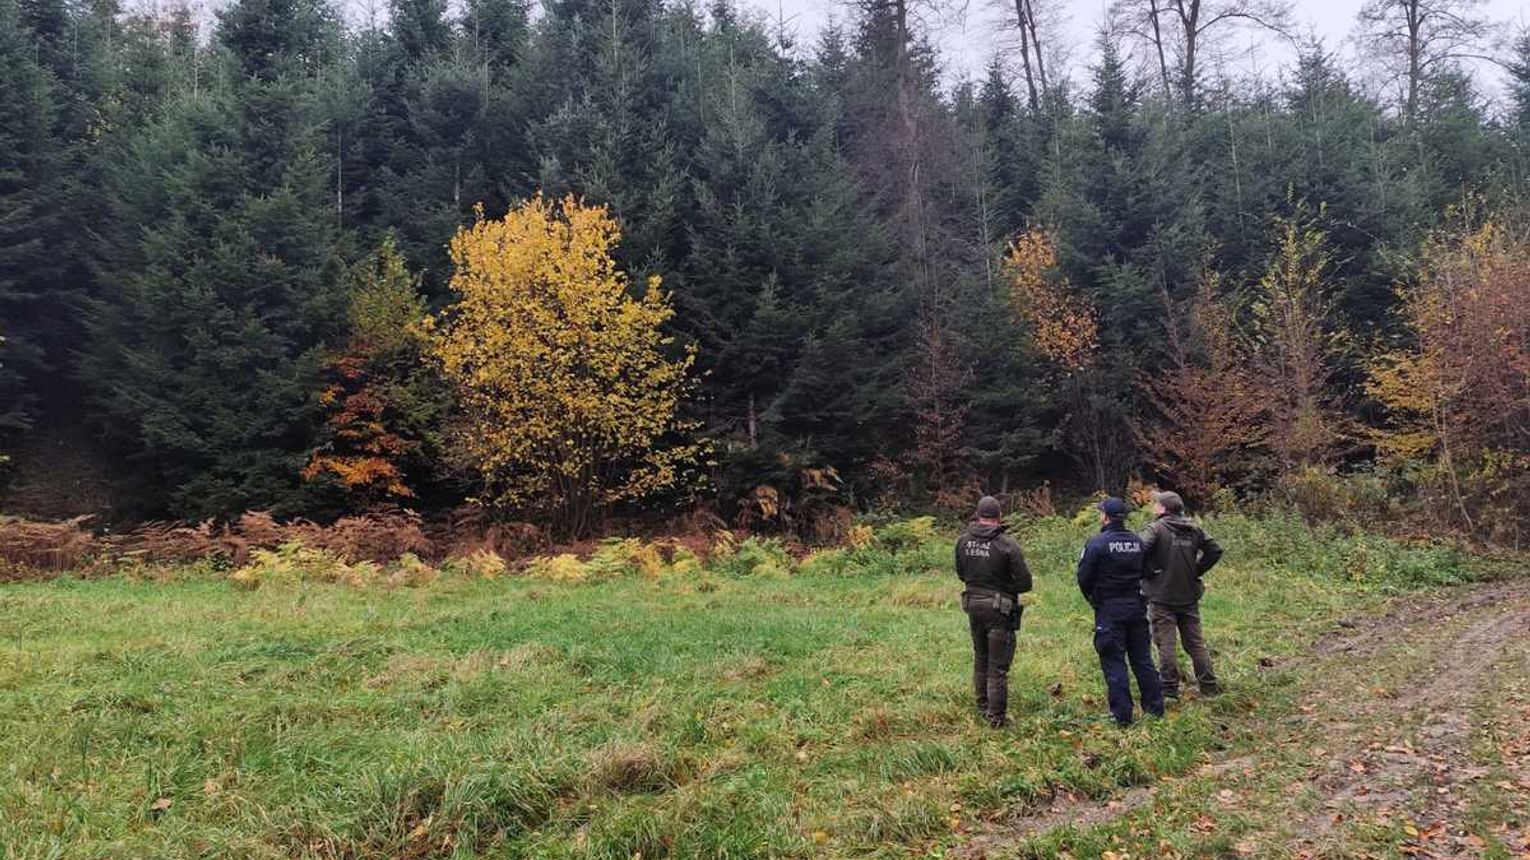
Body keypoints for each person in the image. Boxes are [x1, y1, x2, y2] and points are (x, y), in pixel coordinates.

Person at [1077, 497, 1164, 727]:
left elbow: (1083, 577)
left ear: (1105, 517)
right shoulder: (1137, 542)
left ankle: (1122, 715)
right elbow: (1147, 571)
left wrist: (1094, 599)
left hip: (1109, 609)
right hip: (1136, 607)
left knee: (1114, 661)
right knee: (1142, 659)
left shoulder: (1096, 543)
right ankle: (1155, 709)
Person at [954, 495, 1033, 728]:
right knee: (997, 666)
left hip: (973, 605)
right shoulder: (1007, 545)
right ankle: (997, 717)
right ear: (999, 516)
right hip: (999, 609)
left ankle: (982, 706)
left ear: (978, 515)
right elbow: (1025, 583)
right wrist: (1005, 588)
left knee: (981, 657)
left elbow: (961, 574)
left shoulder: (962, 542)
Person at [1139, 491, 1224, 698]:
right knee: (1195, 643)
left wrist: (1147, 572)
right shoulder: (1194, 528)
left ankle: (1169, 689)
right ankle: (1209, 687)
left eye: (1156, 503)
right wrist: (1197, 570)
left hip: (1161, 596)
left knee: (1166, 644)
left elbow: (1138, 550)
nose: (1153, 505)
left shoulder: (1156, 528)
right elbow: (1215, 550)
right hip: (1188, 594)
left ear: (1163, 508)